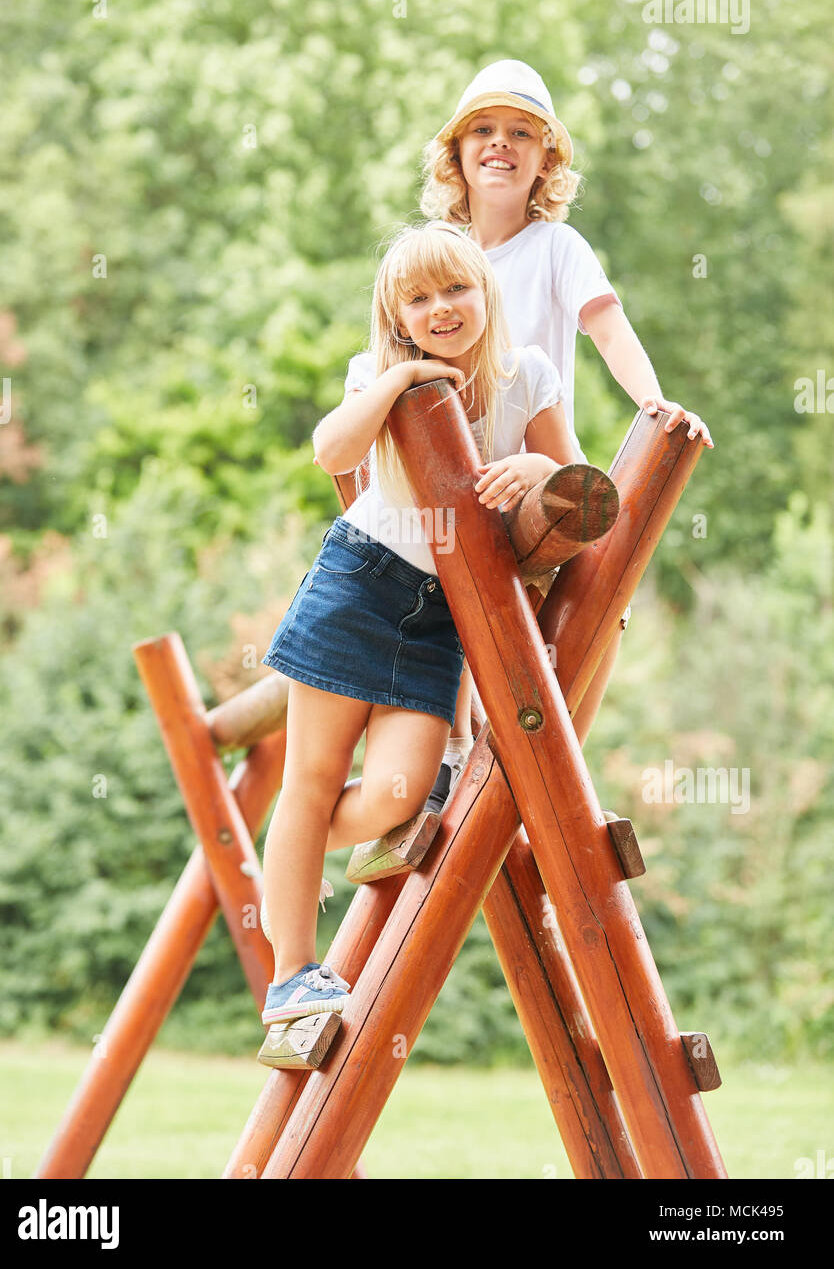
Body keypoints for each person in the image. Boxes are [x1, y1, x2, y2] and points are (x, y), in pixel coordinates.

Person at [258, 220, 579, 1029]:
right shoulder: (380, 372)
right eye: (419, 297)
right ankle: (293, 970)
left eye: (456, 289)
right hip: (359, 585)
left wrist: (538, 468)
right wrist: (401, 379)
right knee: (311, 780)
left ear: (486, 292)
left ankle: (286, 854)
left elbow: (576, 481)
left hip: (442, 614)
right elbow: (333, 452)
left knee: (405, 794)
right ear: (397, 314)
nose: (441, 307)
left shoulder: (526, 374)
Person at [419, 59, 715, 752]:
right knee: (457, 598)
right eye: (483, 130)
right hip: (458, 473)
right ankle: (454, 751)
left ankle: (562, 768)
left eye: (521, 132)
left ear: (546, 157)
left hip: (535, 467)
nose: (501, 143)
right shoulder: (442, 259)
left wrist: (655, 405)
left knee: (601, 599)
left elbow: (606, 325)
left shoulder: (555, 247)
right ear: (457, 155)